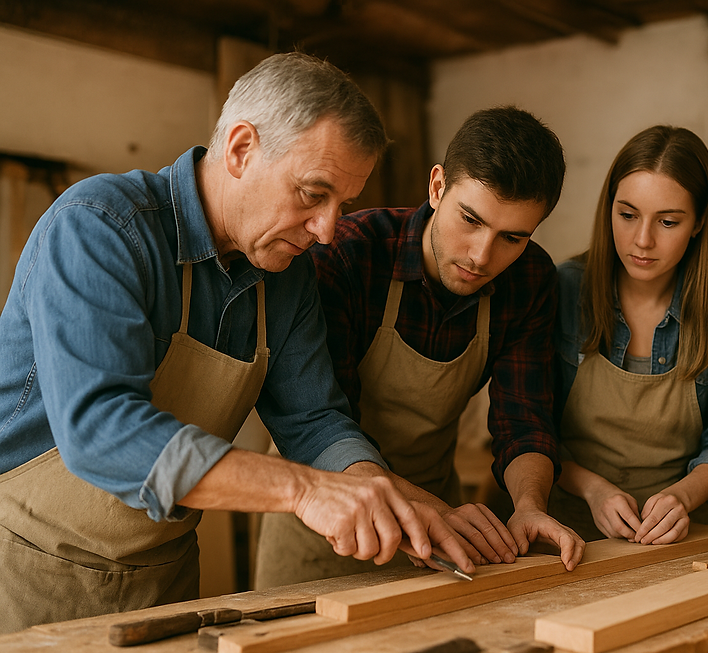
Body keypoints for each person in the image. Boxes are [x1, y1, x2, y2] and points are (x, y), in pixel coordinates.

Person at [0, 52, 473, 633]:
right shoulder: (100, 227)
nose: (327, 231)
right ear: (242, 148)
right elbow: (100, 430)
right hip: (30, 568)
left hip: (164, 575)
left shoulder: (288, 275)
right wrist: (303, 491)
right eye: (311, 194)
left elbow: (315, 421)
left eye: (341, 206)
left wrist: (393, 497)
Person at [253, 106, 586, 588]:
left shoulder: (530, 278)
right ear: (437, 187)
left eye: (512, 237)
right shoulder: (347, 255)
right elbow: (322, 425)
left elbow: (523, 418)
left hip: (438, 523)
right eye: (470, 220)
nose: (482, 255)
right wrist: (431, 510)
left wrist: (529, 506)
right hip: (327, 519)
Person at [549, 126, 708, 544]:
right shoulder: (564, 289)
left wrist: (681, 497)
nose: (642, 241)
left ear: (700, 221)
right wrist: (593, 490)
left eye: (667, 221)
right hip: (562, 531)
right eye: (627, 215)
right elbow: (531, 428)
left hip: (678, 537)